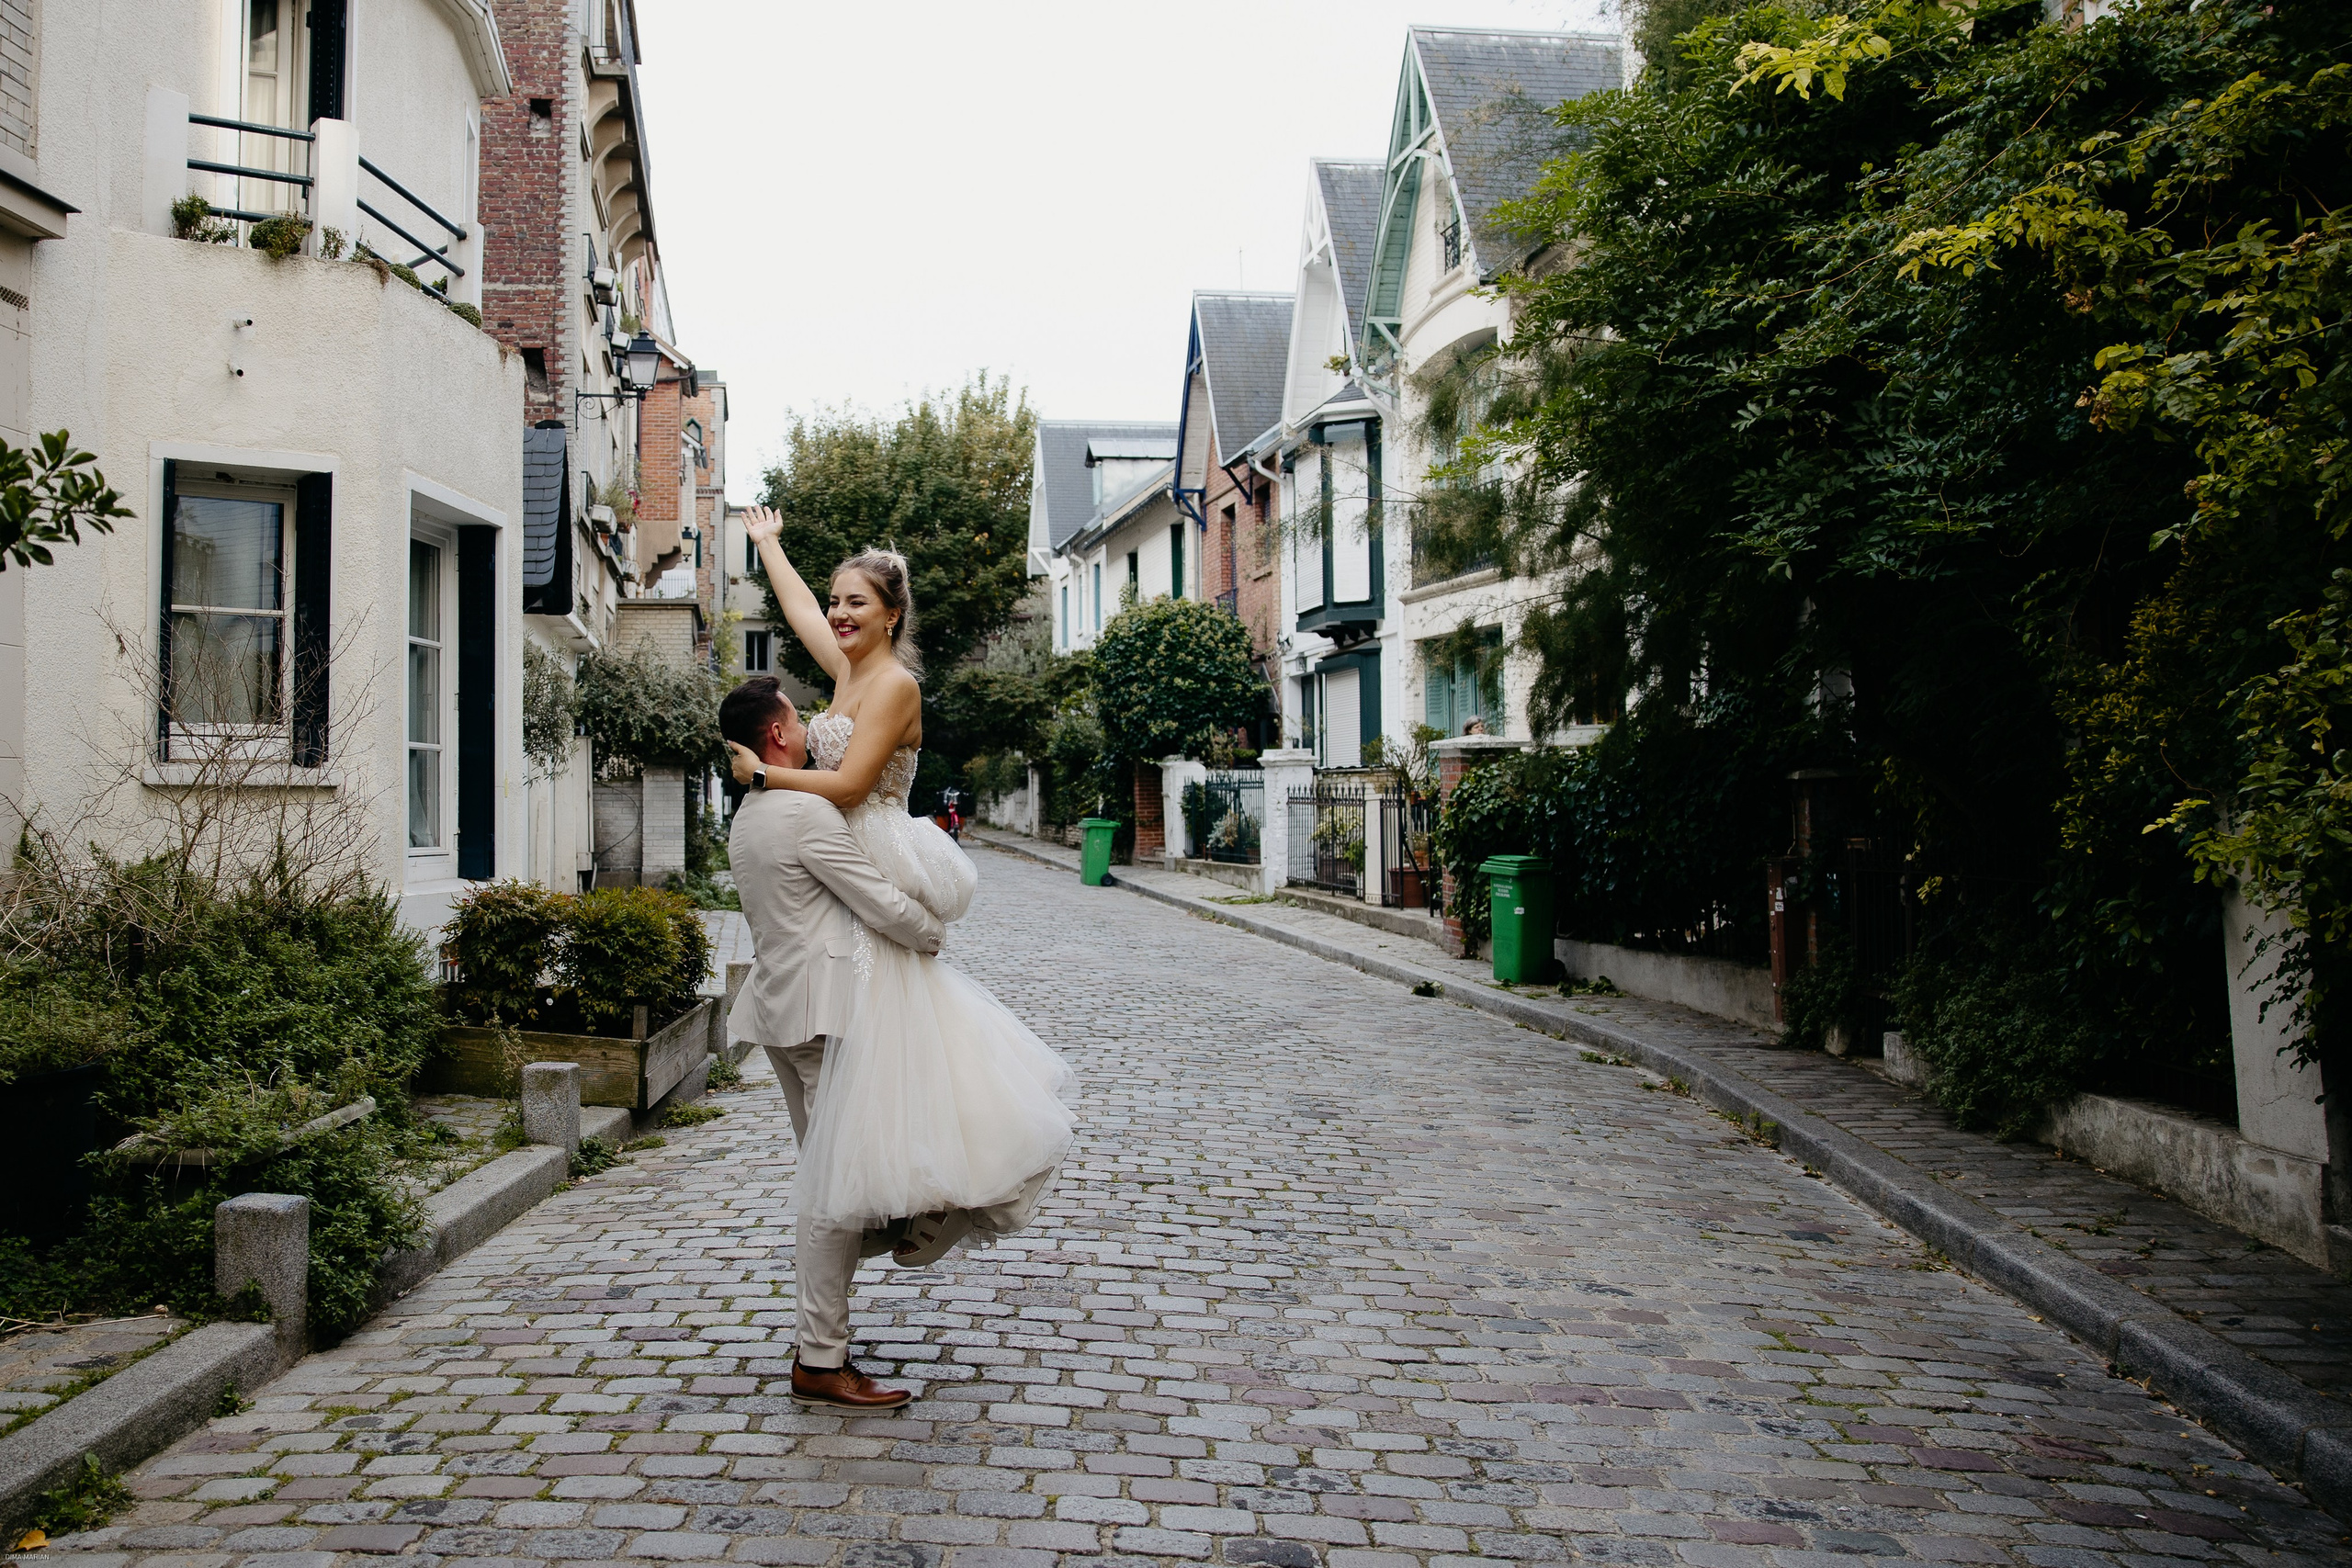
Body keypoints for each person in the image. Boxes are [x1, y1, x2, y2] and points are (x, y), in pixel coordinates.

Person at [726, 505, 1076, 1267]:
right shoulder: (850, 670)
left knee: (900, 1053)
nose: (838, 612)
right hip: (836, 859)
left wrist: (766, 773)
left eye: (856, 601)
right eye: (835, 599)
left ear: (892, 614)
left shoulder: (895, 687)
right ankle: (897, 1210)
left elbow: (850, 785)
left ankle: (938, 1202)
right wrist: (769, 546)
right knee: (877, 1072)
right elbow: (793, 608)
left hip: (873, 849)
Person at [720, 675, 943, 1411]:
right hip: (821, 1015)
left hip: (781, 1012)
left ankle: (883, 1242)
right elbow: (873, 900)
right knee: (830, 1191)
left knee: (838, 1171)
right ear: (777, 737)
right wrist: (929, 930)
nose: (811, 727)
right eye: (798, 719)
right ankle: (821, 1355)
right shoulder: (804, 812)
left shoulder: (749, 816)